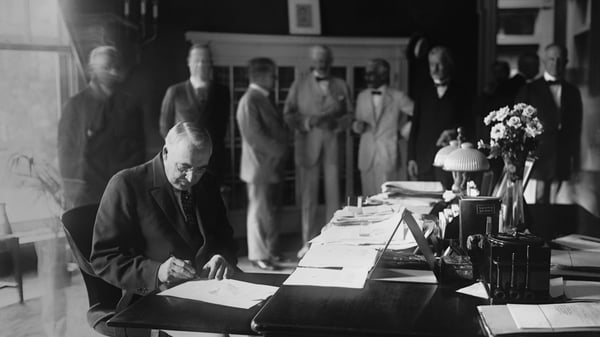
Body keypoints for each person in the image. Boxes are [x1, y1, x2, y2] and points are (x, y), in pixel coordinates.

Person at [91, 122, 238, 308]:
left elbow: (225, 237)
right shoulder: (126, 184)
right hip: (155, 295)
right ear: (166, 152)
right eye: (184, 167)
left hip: (212, 287)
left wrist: (221, 256)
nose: (192, 178)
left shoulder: (207, 182)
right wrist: (157, 272)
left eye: (200, 168)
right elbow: (104, 258)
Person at [284, 45, 353, 258]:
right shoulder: (299, 84)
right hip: (308, 147)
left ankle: (334, 241)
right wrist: (308, 121)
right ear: (312, 62)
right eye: (318, 59)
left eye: (325, 59)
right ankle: (307, 242)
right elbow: (288, 114)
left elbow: (350, 114)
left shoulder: (341, 84)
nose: (322, 62)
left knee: (334, 195)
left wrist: (338, 123)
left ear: (330, 60)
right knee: (308, 198)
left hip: (332, 145)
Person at [58, 46, 145, 209]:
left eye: (116, 67)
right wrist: (77, 191)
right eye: (106, 67)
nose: (113, 72)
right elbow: (66, 154)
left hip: (122, 191)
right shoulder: (75, 106)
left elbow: (138, 149)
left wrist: (125, 183)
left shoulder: (130, 105)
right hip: (87, 196)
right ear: (92, 70)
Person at [236, 58, 289, 270]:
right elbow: (254, 136)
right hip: (259, 168)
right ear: (261, 77)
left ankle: (272, 252)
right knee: (258, 213)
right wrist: (281, 150)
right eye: (273, 76)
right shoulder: (250, 100)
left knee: (270, 212)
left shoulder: (262, 98)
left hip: (270, 167)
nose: (275, 80)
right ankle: (258, 256)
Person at [516, 44, 583, 204]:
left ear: (566, 62)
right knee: (537, 203)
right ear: (544, 61)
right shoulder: (529, 89)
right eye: (552, 59)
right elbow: (518, 127)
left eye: (560, 60)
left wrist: (576, 160)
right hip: (538, 158)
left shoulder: (573, 92)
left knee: (559, 206)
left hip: (562, 157)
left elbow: (576, 129)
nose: (556, 63)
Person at [159, 44, 230, 182]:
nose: (201, 64)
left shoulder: (222, 92)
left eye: (205, 60)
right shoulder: (175, 92)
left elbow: (222, 126)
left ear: (211, 63)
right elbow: (165, 127)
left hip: (212, 161)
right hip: (184, 162)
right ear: (189, 62)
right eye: (197, 60)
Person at [407, 46, 470, 189]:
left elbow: (469, 125)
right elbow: (415, 127)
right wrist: (411, 159)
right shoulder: (423, 92)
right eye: (431, 64)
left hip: (450, 162)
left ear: (448, 64)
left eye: (439, 64)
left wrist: (454, 132)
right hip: (423, 162)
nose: (434, 69)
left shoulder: (461, 93)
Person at [353, 58, 414, 196]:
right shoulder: (362, 96)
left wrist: (403, 132)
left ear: (384, 75)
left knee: (387, 198)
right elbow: (356, 122)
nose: (367, 77)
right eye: (366, 73)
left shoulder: (398, 96)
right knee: (368, 199)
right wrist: (357, 126)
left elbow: (418, 115)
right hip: (367, 155)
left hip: (388, 153)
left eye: (371, 73)